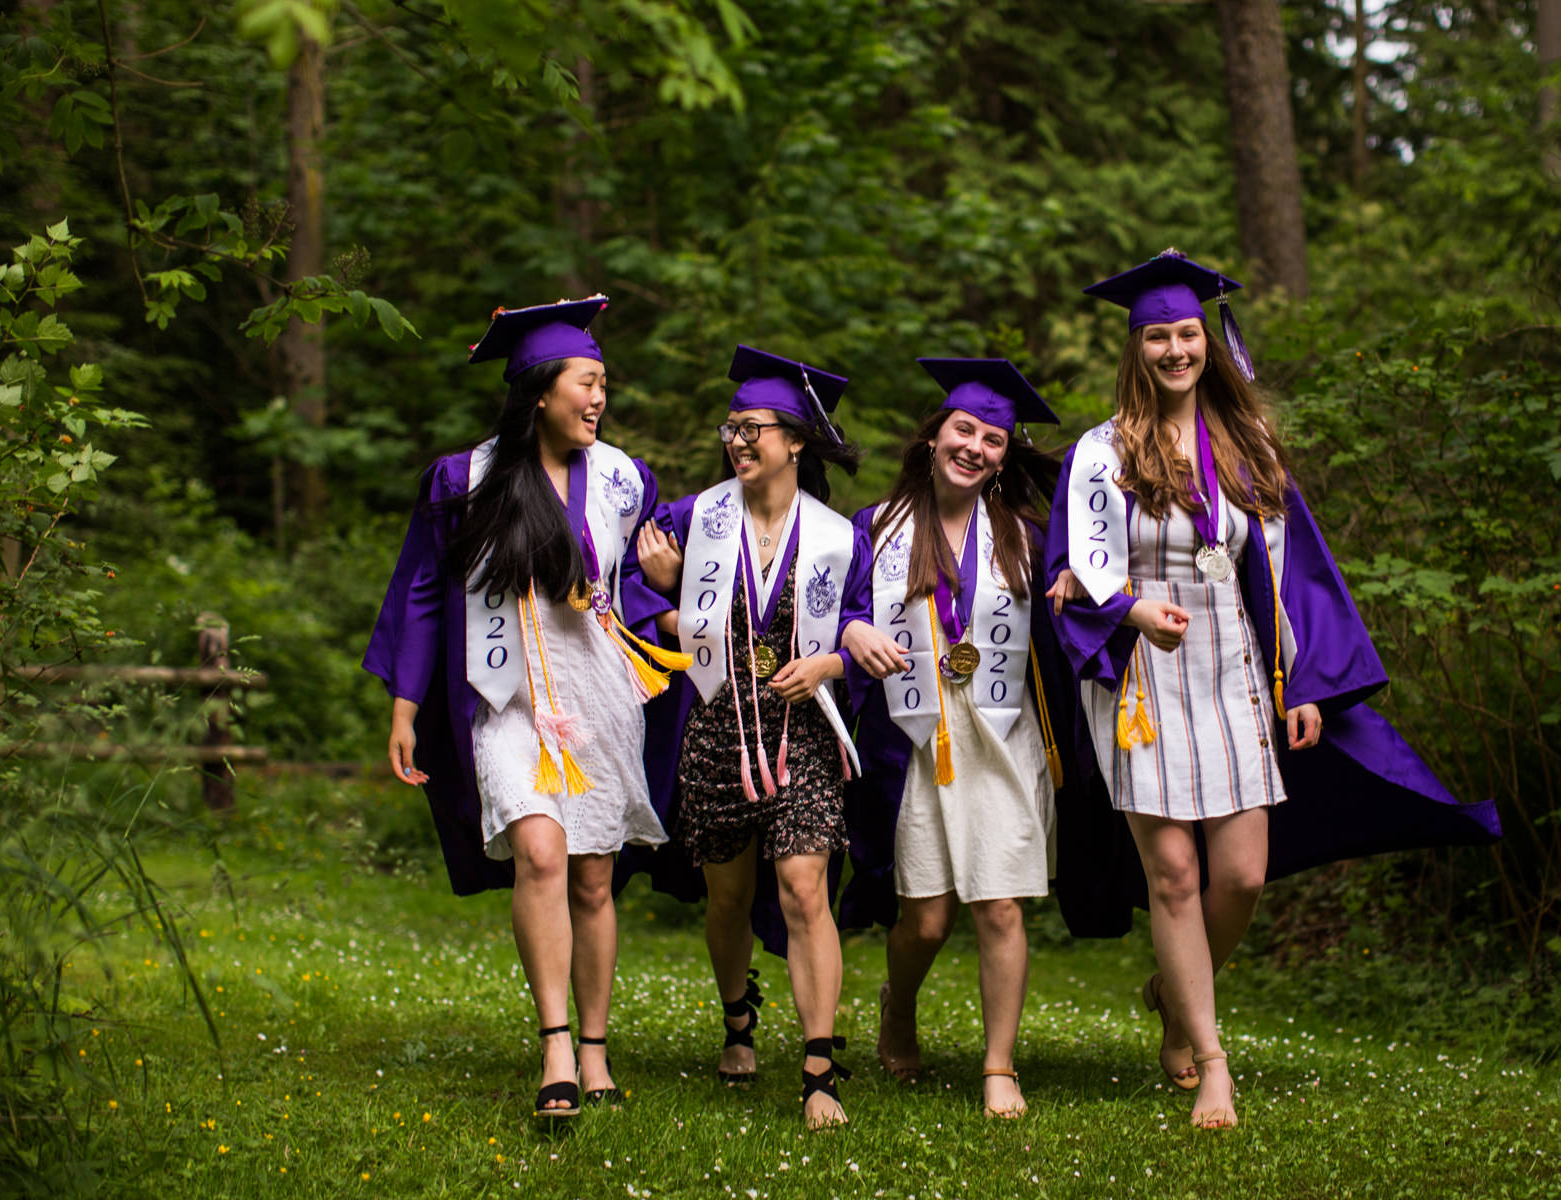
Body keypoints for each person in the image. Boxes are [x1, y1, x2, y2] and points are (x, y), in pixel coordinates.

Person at [1045, 250, 1500, 1130]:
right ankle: (1207, 1055)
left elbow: (1292, 576)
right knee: (1173, 873)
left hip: (1233, 665)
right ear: (1135, 348)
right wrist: (1132, 609)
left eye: (1187, 334)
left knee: (1243, 875)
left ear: (1206, 341)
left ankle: (1176, 995)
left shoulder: (1245, 443)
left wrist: (1306, 683)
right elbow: (1078, 564)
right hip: (1141, 669)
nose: (1176, 350)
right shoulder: (1101, 451)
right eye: (1157, 336)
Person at [364, 298, 685, 1119]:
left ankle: (596, 1049)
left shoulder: (624, 479)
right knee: (540, 853)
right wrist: (405, 705)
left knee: (593, 875)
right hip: (507, 695)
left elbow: (634, 598)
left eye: (605, 383)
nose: (599, 397)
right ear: (541, 390)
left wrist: (665, 587)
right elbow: (426, 593)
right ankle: (554, 1050)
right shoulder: (462, 481)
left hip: (598, 693)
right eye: (587, 381)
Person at [634, 346, 867, 1129]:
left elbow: (863, 622)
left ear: (795, 441)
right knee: (727, 897)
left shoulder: (838, 537)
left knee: (807, 887)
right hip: (716, 729)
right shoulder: (693, 518)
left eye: (754, 428)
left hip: (800, 733)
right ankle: (739, 1016)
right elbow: (627, 594)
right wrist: (668, 604)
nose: (738, 440)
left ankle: (819, 1066)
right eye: (731, 428)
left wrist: (832, 661)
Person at [837, 358, 1067, 1119]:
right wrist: (854, 627)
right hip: (916, 741)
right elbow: (829, 609)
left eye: (994, 440)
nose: (975, 447)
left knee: (999, 907)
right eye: (964, 430)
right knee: (926, 920)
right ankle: (898, 1007)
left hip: (999, 736)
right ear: (934, 435)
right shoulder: (875, 528)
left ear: (1005, 456)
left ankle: (998, 1065)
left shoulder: (1027, 540)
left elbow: (1078, 606)